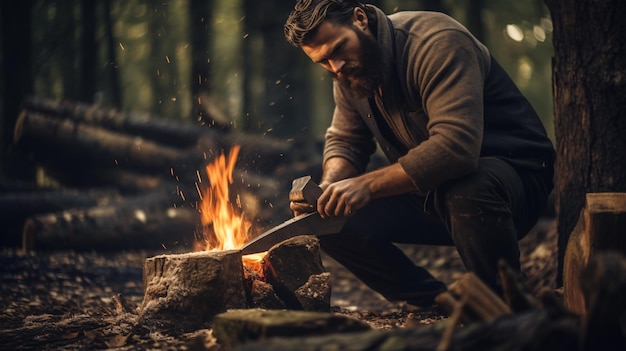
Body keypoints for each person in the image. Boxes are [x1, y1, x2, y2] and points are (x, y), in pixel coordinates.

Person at [283, 0, 555, 307]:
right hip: (435, 190)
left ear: (360, 18)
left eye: (338, 49)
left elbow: (456, 148)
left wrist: (365, 185)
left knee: (466, 188)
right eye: (323, 61)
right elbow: (346, 141)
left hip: (512, 184)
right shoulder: (350, 69)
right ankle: (435, 302)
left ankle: (504, 305)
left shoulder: (436, 42)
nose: (335, 66)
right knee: (329, 221)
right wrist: (328, 190)